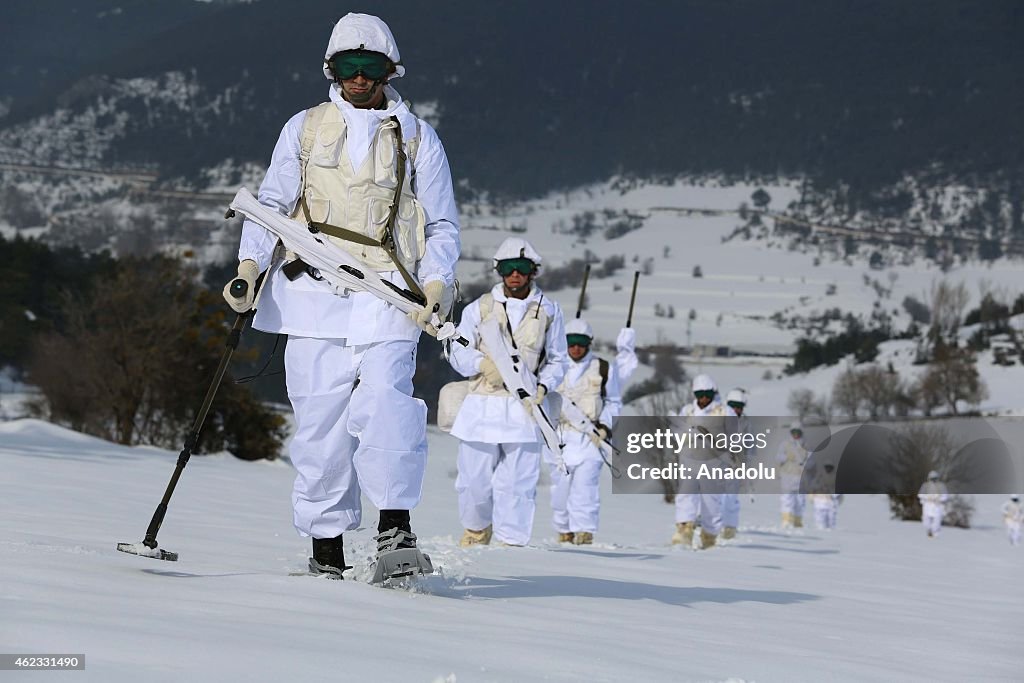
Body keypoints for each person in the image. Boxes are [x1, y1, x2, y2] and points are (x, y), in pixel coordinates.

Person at [222, 13, 460, 578]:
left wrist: (437, 281)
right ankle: (325, 546)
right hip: (312, 292)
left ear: (389, 69)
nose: (358, 77)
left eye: (370, 66)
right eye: (348, 66)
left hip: (388, 291)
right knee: (319, 423)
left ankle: (394, 529)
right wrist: (251, 264)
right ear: (332, 69)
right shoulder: (302, 128)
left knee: (387, 405)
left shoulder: (420, 137)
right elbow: (272, 204)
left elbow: (442, 224)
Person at [447, 238, 567, 547]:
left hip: (525, 409)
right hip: (482, 404)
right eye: (509, 268)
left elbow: (558, 359)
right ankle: (475, 531)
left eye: (522, 268)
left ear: (532, 272)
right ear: (499, 271)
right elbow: (457, 348)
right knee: (473, 480)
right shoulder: (480, 308)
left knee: (518, 483)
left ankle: (511, 542)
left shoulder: (550, 311)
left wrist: (544, 385)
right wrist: (481, 364)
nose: (515, 275)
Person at [548, 317, 628, 544]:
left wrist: (605, 426)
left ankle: (584, 532)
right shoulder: (553, 366)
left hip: (590, 439)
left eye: (580, 343)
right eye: (571, 343)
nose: (575, 348)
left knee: (586, 488)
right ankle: (564, 531)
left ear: (589, 343)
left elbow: (613, 401)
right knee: (560, 490)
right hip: (559, 436)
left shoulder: (602, 368)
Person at [672, 374, 735, 549]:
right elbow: (677, 434)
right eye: (700, 394)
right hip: (689, 460)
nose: (704, 398)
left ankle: (709, 537)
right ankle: (683, 531)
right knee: (686, 495)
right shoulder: (687, 411)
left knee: (711, 503)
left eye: (707, 393)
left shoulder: (724, 412)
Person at [719, 387, 750, 539]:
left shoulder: (745, 423)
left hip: (735, 466)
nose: (736, 409)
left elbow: (750, 446)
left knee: (730, 499)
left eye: (739, 407)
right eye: (733, 406)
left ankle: (729, 529)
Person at [777, 422, 808, 529]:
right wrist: (786, 457)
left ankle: (797, 521)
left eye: (798, 432)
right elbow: (778, 458)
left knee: (800, 501)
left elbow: (812, 460)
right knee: (787, 499)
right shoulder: (785, 444)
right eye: (793, 432)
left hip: (801, 477)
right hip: (787, 476)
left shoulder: (806, 445)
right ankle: (786, 520)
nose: (796, 434)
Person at [807, 462, 841, 530]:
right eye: (827, 467)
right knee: (820, 521)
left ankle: (831, 532)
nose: (828, 469)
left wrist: (833, 495)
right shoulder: (818, 477)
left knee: (831, 521)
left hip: (831, 502)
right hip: (819, 502)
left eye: (830, 467)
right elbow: (812, 488)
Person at [917, 470, 948, 538]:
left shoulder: (941, 486)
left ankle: (934, 533)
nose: (933, 481)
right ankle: (929, 531)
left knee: (937, 519)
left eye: (935, 479)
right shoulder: (925, 485)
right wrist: (927, 497)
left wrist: (938, 499)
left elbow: (945, 496)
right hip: (927, 504)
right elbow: (920, 494)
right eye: (932, 479)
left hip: (937, 505)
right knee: (926, 519)